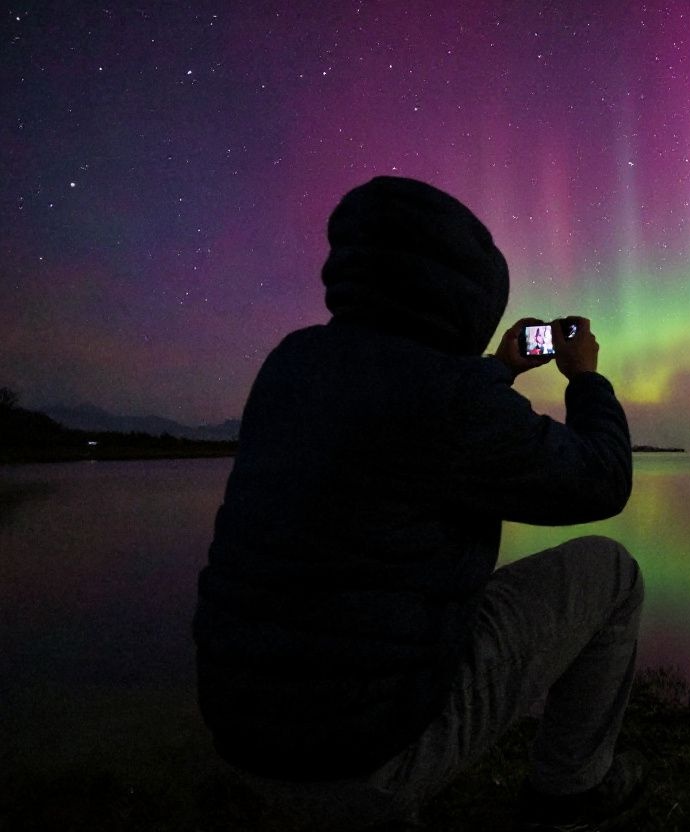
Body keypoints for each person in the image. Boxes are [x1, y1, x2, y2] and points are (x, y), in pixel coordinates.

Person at [192, 176, 644, 829]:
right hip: (359, 763)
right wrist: (587, 378)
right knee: (614, 574)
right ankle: (569, 791)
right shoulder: (451, 403)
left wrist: (499, 369)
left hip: (242, 734)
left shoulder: (293, 362)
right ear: (470, 292)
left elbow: (408, 410)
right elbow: (604, 480)